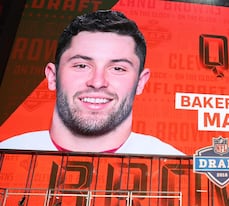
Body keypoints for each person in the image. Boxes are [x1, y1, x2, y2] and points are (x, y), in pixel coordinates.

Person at [0, 10, 184, 156]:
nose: (97, 82)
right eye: (81, 65)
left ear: (141, 82)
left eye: (118, 68)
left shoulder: (175, 168)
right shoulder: (6, 156)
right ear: (52, 77)